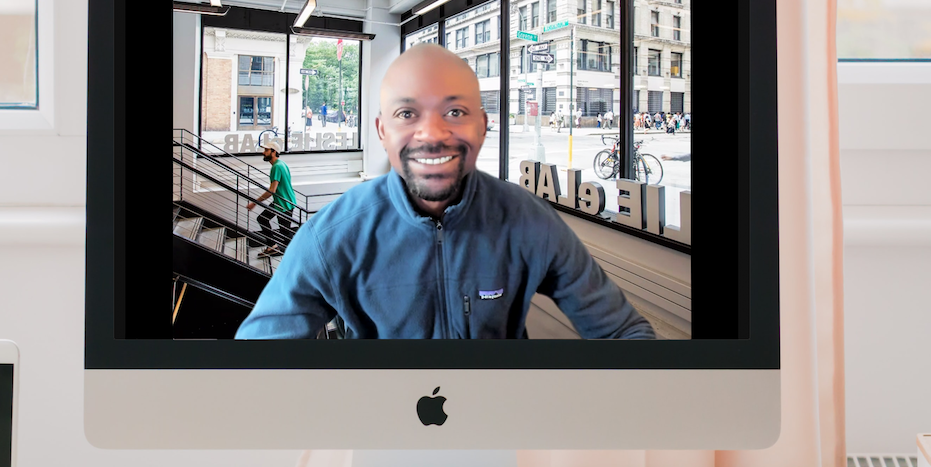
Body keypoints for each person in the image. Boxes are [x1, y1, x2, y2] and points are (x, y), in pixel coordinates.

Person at [236, 43, 653, 340]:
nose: (432, 134)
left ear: (483, 127)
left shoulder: (530, 223)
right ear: (383, 132)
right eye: (407, 113)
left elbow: (622, 331)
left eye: (455, 112)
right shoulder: (330, 238)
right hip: (377, 448)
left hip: (503, 446)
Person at [245, 138, 296, 258]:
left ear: (273, 152)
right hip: (283, 202)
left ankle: (298, 254)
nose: (263, 152)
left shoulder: (276, 167)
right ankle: (272, 246)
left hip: (283, 204)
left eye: (266, 150)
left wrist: (255, 203)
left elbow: (272, 190)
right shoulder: (281, 164)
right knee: (263, 219)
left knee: (284, 232)